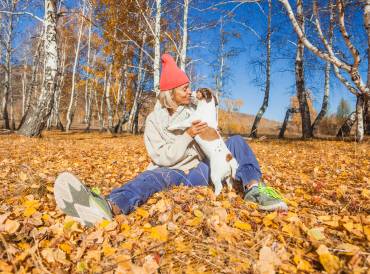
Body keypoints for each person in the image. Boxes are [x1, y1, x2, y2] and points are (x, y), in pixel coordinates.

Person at [54, 53, 288, 227]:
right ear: (170, 92)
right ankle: (108, 205)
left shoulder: (192, 112)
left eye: (189, 88)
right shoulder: (154, 121)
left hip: (199, 170)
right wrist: (187, 136)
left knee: (236, 141)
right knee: (148, 178)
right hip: (172, 170)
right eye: (184, 89)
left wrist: (210, 133)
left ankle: (254, 189)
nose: (189, 92)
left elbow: (213, 135)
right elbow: (161, 157)